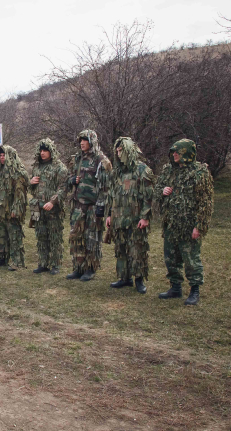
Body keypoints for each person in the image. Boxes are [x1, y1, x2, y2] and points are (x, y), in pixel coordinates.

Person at [153, 139, 213, 305]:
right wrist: (162, 191)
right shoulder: (168, 170)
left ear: (186, 152)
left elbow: (205, 202)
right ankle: (175, 287)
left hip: (189, 225)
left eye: (177, 151)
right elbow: (156, 190)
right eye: (173, 151)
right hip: (171, 224)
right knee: (171, 258)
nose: (174, 154)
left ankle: (194, 290)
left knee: (191, 259)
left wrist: (199, 226)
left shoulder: (199, 173)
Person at [105, 137, 154, 294]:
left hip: (135, 219)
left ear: (129, 151)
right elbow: (111, 195)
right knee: (121, 248)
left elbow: (148, 196)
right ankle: (124, 278)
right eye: (117, 151)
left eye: (122, 151)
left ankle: (139, 279)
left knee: (137, 249)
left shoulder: (142, 170)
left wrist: (145, 217)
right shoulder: (117, 172)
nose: (119, 154)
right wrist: (109, 215)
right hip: (119, 218)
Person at [66, 129, 111, 281]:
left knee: (92, 237)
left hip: (93, 206)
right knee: (76, 236)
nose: (82, 143)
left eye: (85, 140)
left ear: (92, 141)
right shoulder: (77, 159)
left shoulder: (101, 160)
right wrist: (72, 180)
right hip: (79, 205)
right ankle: (78, 267)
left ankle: (90, 268)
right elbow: (69, 178)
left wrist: (102, 207)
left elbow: (106, 186)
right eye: (80, 140)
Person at [28, 138, 68, 275]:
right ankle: (43, 263)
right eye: (41, 150)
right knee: (41, 236)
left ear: (51, 151)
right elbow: (31, 189)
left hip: (53, 209)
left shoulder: (59, 167)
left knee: (55, 236)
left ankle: (55, 264)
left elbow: (63, 188)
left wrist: (52, 202)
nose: (42, 153)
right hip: (37, 208)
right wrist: (31, 183)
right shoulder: (36, 167)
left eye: (45, 150)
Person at [0, 145, 29, 271]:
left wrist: (16, 209)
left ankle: (17, 261)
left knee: (14, 235)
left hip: (11, 210)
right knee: (0, 235)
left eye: (4, 155)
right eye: (0, 155)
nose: (2, 157)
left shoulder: (17, 173)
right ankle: (1, 257)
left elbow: (20, 194)